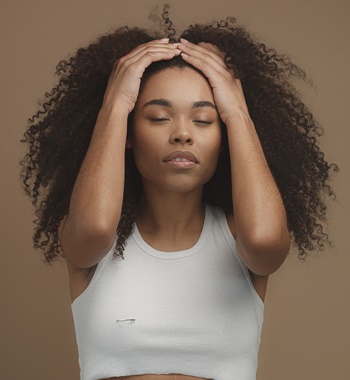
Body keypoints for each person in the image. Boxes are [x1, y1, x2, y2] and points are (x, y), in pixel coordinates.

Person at [20, 11, 337, 380]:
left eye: (204, 120)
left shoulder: (242, 239)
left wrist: (236, 111)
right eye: (158, 117)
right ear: (127, 132)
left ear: (224, 141)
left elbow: (266, 240)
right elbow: (94, 226)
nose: (183, 134)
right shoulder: (90, 241)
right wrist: (116, 104)